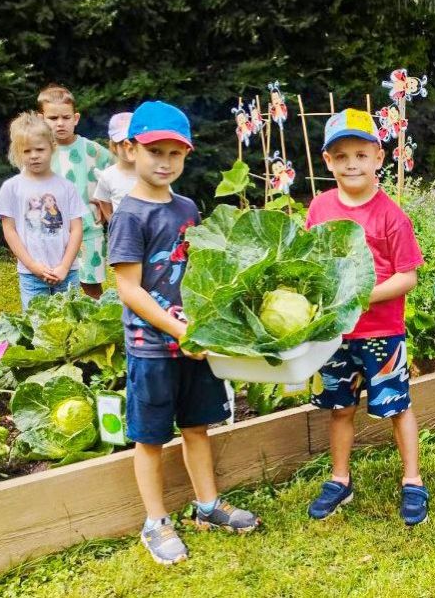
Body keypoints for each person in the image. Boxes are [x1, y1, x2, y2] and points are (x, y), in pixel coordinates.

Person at [107, 101, 260, 565]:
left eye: (176, 153)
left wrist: (208, 324)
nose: (165, 161)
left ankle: (208, 506)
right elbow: (129, 289)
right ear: (131, 150)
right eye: (156, 151)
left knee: (197, 427)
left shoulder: (187, 208)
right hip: (151, 348)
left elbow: (198, 274)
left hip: (194, 347)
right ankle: (155, 522)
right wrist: (177, 328)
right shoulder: (129, 215)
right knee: (149, 436)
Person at [304, 108, 428, 526]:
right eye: (341, 156)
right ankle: (340, 480)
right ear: (328, 162)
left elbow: (407, 277)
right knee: (339, 408)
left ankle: (413, 480)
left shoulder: (390, 215)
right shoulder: (319, 208)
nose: (351, 163)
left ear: (379, 157)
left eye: (360, 154)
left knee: (396, 407)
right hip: (334, 335)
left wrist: (359, 297)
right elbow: (309, 263)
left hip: (382, 333)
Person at [0, 112, 85, 309]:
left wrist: (64, 266)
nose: (34, 156)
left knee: (73, 324)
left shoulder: (67, 187)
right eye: (26, 151)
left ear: (52, 147)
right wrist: (33, 266)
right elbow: (9, 231)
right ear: (17, 153)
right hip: (31, 274)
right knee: (37, 328)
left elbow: (76, 229)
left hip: (67, 272)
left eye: (40, 149)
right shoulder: (11, 187)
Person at [38, 83, 113, 298]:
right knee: (57, 286)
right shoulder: (37, 152)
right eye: (53, 118)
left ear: (76, 118)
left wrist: (107, 209)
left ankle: (97, 327)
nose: (60, 123)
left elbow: (116, 177)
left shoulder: (93, 151)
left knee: (90, 287)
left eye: (66, 117)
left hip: (89, 231)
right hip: (52, 232)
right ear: (42, 118)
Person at [94, 112, 137, 218]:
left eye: (133, 141)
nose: (129, 146)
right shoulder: (107, 176)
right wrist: (113, 223)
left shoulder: (151, 172)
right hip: (123, 232)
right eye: (123, 143)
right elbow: (103, 200)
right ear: (113, 146)